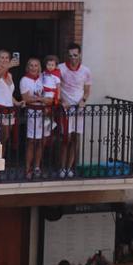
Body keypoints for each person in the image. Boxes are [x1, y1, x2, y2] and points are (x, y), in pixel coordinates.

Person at [58, 42, 92, 178]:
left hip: (79, 110)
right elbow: (56, 88)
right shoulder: (60, 68)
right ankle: (61, 168)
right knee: (65, 139)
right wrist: (62, 101)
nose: (73, 58)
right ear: (67, 55)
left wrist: (83, 101)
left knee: (76, 139)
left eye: (75, 55)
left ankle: (69, 167)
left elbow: (87, 90)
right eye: (70, 55)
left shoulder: (86, 71)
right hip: (65, 109)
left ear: (80, 55)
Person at [20, 57, 52, 179]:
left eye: (36, 65)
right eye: (31, 65)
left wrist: (40, 99)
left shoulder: (45, 79)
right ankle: (28, 169)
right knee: (32, 141)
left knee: (41, 141)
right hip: (32, 113)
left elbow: (50, 97)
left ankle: (37, 167)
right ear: (28, 67)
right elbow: (26, 98)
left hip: (45, 114)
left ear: (40, 67)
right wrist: (40, 99)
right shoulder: (24, 80)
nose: (34, 68)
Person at [0, 50, 23, 156]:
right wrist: (8, 66)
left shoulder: (9, 75)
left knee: (4, 139)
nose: (5, 60)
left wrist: (17, 103)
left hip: (8, 111)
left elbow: (8, 93)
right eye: (2, 58)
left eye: (7, 58)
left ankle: (0, 163)